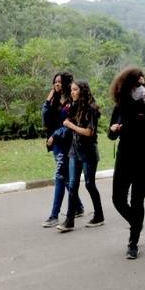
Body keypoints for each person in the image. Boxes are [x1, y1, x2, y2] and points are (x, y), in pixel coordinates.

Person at [107, 67, 145, 259]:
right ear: (127, 86)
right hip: (124, 159)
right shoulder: (119, 107)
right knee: (118, 199)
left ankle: (133, 243)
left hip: (143, 161)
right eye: (137, 84)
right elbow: (110, 135)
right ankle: (137, 224)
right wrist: (114, 130)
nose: (141, 88)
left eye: (144, 84)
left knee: (137, 201)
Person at [56, 80, 104, 232]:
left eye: (75, 90)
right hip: (74, 150)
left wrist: (71, 126)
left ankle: (99, 215)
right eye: (71, 90)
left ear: (82, 91)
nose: (72, 92)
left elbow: (89, 132)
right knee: (72, 184)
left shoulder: (92, 108)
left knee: (89, 184)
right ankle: (69, 221)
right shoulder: (74, 106)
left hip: (88, 151)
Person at [41, 72, 82, 227]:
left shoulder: (72, 101)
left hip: (65, 142)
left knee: (59, 176)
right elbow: (45, 118)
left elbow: (69, 124)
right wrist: (48, 98)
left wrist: (55, 135)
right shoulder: (55, 101)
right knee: (63, 176)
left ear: (65, 84)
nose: (56, 84)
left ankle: (54, 215)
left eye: (59, 82)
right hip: (56, 142)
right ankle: (78, 206)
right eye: (55, 82)